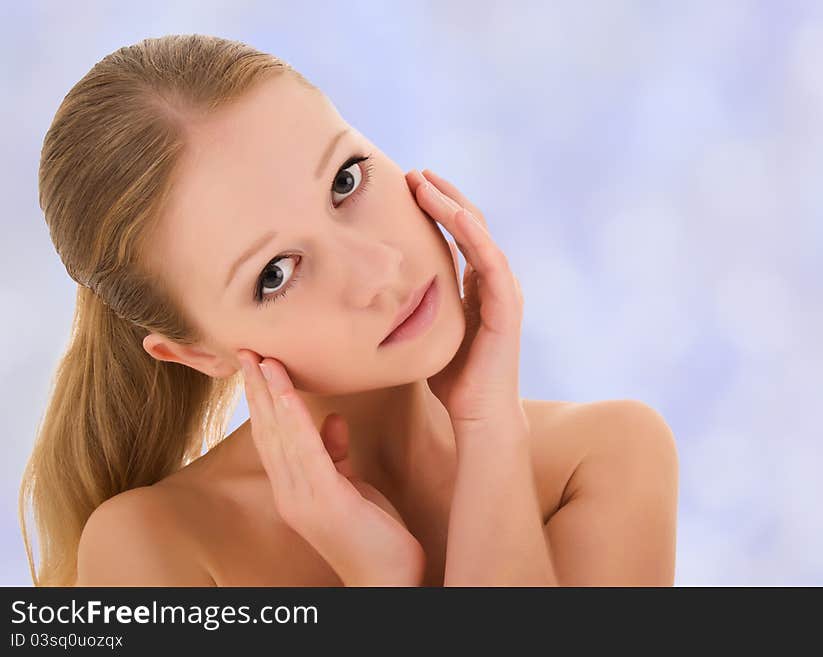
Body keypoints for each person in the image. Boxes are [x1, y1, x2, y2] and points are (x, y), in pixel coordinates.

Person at [20, 34, 679, 587]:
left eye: (345, 180)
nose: (378, 271)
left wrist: (488, 429)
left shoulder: (603, 458)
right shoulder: (158, 548)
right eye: (274, 274)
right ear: (198, 353)